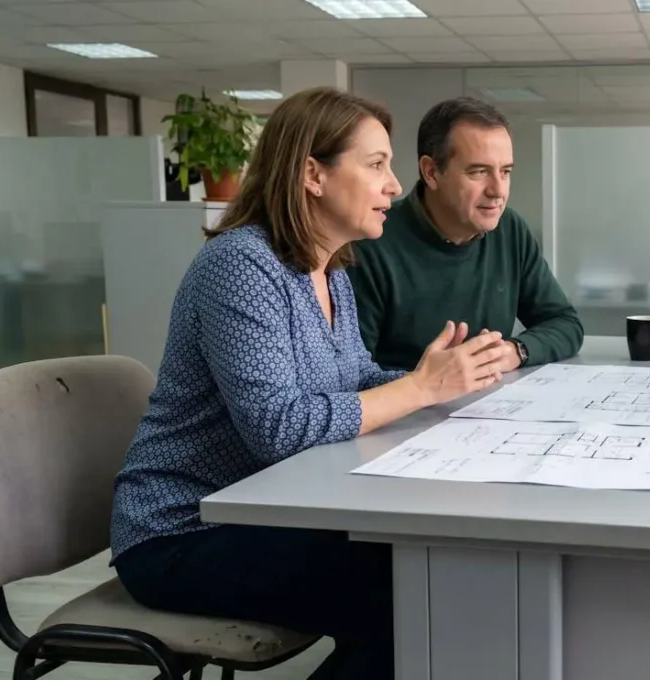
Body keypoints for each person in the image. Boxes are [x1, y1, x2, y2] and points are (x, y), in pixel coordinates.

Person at [109, 87, 517, 679]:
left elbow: (357, 381)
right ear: (312, 174)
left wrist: (449, 380)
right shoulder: (241, 265)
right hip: (181, 532)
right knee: (415, 590)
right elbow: (280, 428)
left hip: (266, 513)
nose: (395, 186)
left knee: (425, 574)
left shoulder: (329, 269)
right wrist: (422, 388)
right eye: (376, 165)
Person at [348, 96, 583, 373]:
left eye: (505, 172)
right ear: (431, 172)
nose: (498, 191)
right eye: (479, 172)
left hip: (491, 406)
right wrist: (433, 382)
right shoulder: (370, 241)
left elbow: (565, 323)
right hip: (408, 411)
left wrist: (516, 351)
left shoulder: (510, 229)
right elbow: (354, 376)